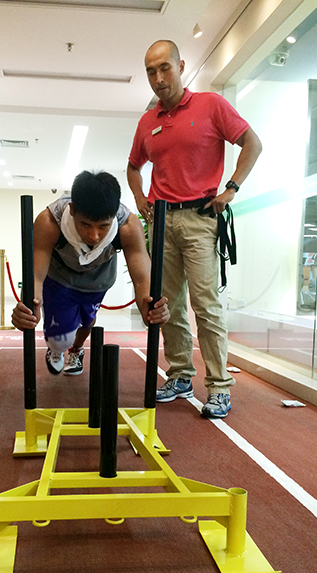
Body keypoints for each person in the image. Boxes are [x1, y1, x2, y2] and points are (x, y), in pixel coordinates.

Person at [127, 40, 262, 418]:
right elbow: (133, 166)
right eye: (151, 71)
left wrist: (231, 188)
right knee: (167, 306)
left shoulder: (210, 106)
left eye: (164, 68)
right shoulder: (147, 122)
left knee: (206, 305)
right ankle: (181, 374)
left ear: (181, 66)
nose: (158, 78)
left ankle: (219, 386)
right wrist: (140, 198)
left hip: (201, 219)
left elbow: (252, 143)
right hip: (162, 221)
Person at [12, 170, 169, 375]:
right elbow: (35, 275)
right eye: (85, 225)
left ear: (113, 217)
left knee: (88, 321)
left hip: (98, 279)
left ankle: (77, 350)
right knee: (61, 340)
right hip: (60, 278)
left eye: (103, 226)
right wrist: (26, 308)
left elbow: (143, 279)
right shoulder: (49, 221)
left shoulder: (128, 226)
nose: (94, 236)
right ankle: (57, 350)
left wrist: (151, 308)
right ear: (72, 210)